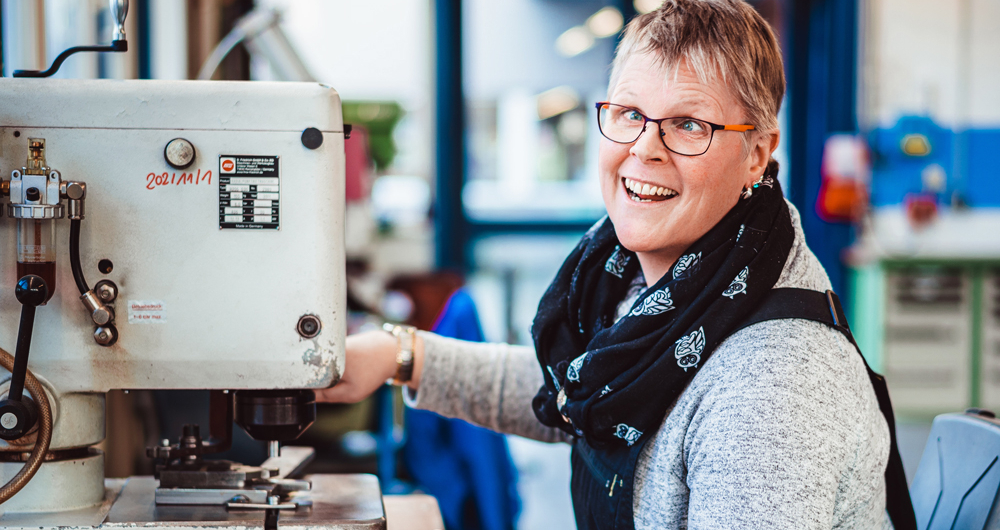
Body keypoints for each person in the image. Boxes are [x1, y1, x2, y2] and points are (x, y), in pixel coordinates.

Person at [319, 1, 898, 528]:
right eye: (628, 113)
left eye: (689, 125)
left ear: (757, 154)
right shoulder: (660, 277)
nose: (644, 147)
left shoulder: (772, 390)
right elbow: (588, 392)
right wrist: (402, 356)